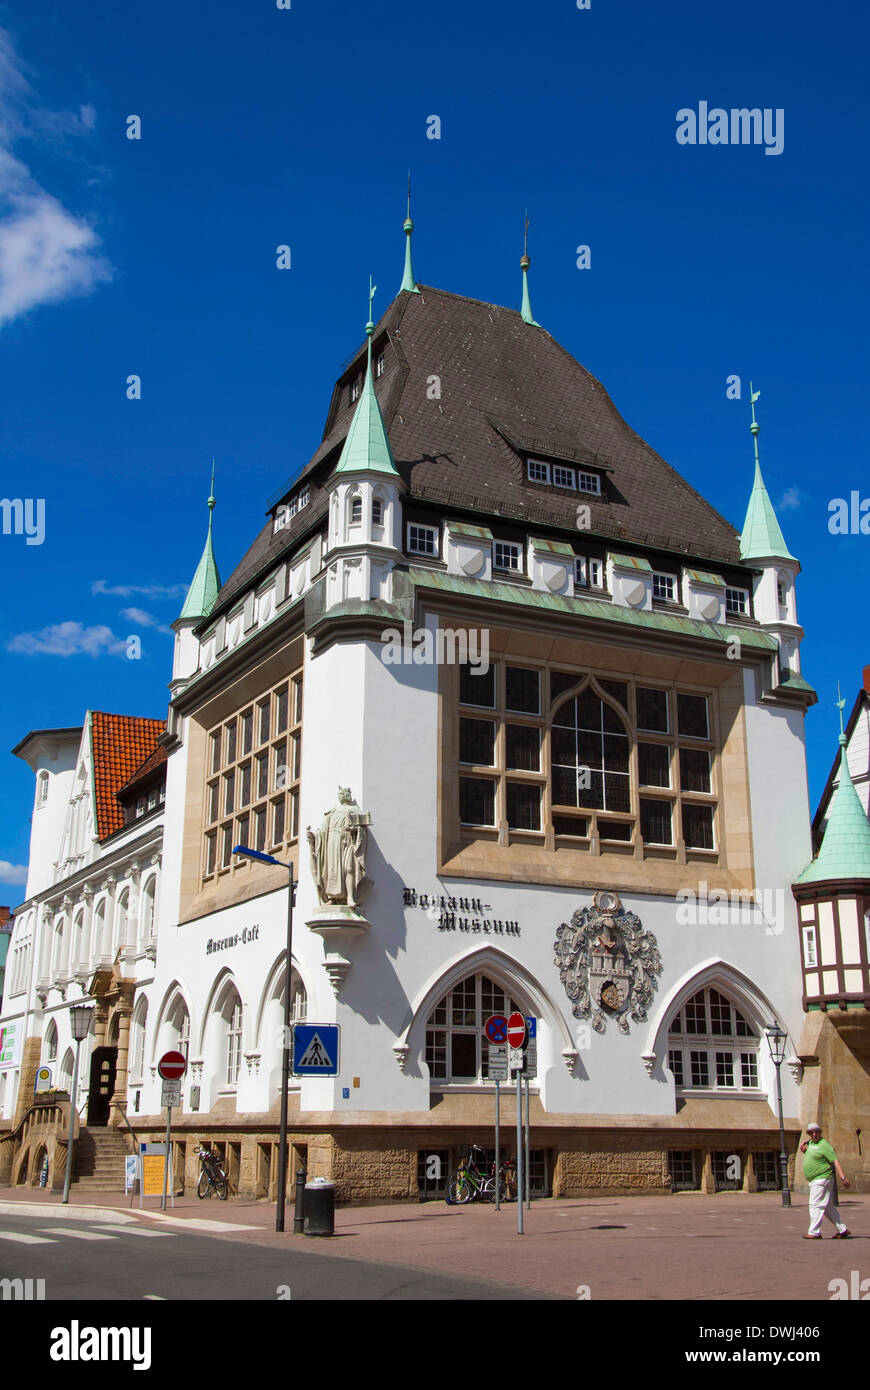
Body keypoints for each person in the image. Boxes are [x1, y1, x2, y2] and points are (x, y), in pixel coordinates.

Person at [801, 1123, 851, 1239]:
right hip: (815, 1180)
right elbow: (813, 1155)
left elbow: (836, 1161)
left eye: (816, 1132)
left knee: (815, 1205)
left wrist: (843, 1178)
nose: (814, 1134)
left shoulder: (824, 1145)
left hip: (822, 1178)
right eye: (812, 1132)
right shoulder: (811, 1143)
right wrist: (804, 1150)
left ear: (820, 1132)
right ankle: (842, 1230)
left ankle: (814, 1232)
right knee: (827, 1207)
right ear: (809, 1134)